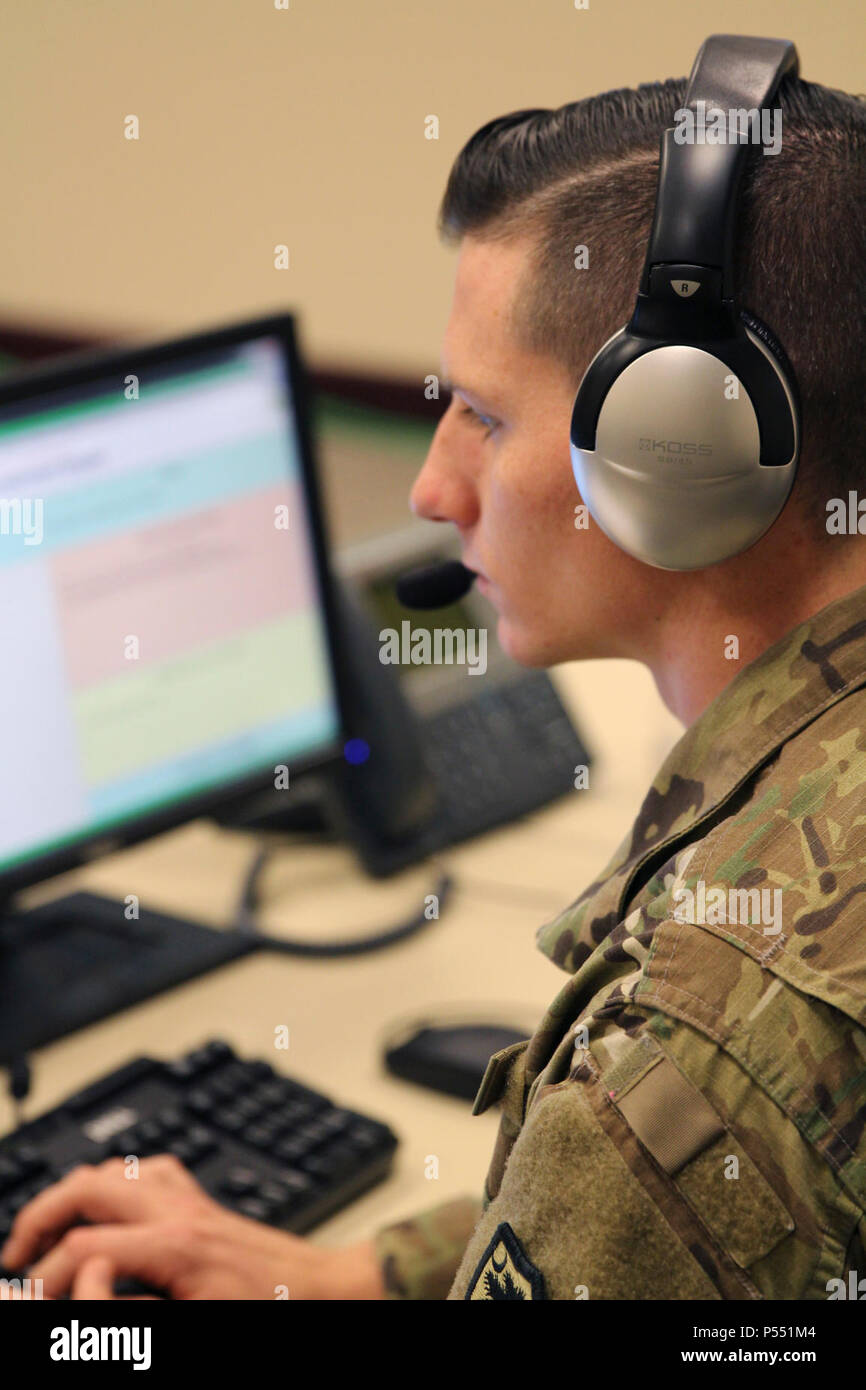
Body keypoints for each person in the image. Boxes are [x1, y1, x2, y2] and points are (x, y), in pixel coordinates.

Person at [4, 61, 866, 1302]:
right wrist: (360, 1271)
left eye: (482, 415)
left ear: (677, 453)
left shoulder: (701, 1028)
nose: (429, 490)